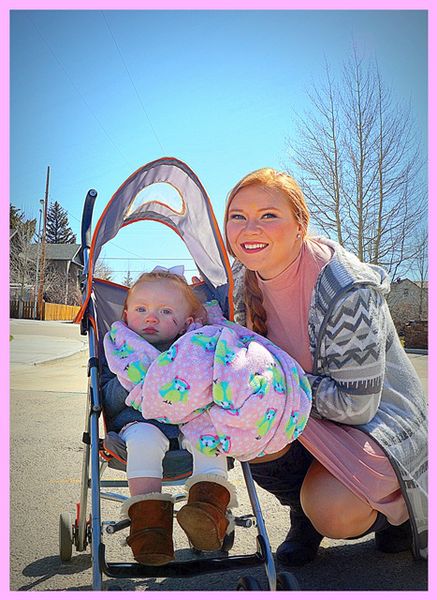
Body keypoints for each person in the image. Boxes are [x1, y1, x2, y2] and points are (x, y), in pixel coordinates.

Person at [224, 167, 427, 566]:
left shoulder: (346, 288)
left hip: (378, 425)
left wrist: (274, 385)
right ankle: (304, 517)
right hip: (312, 414)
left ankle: (394, 514)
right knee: (249, 429)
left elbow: (357, 406)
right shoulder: (241, 278)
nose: (251, 228)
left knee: (333, 508)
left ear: (301, 225)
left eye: (268, 215)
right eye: (238, 216)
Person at [103, 268, 236, 566]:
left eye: (165, 311)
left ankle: (208, 512)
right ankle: (149, 526)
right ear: (126, 316)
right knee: (144, 440)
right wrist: (132, 385)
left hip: (192, 419)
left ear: (187, 323)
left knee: (208, 439)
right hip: (140, 423)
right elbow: (107, 402)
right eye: (141, 309)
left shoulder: (196, 348)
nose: (151, 317)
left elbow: (218, 384)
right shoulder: (122, 352)